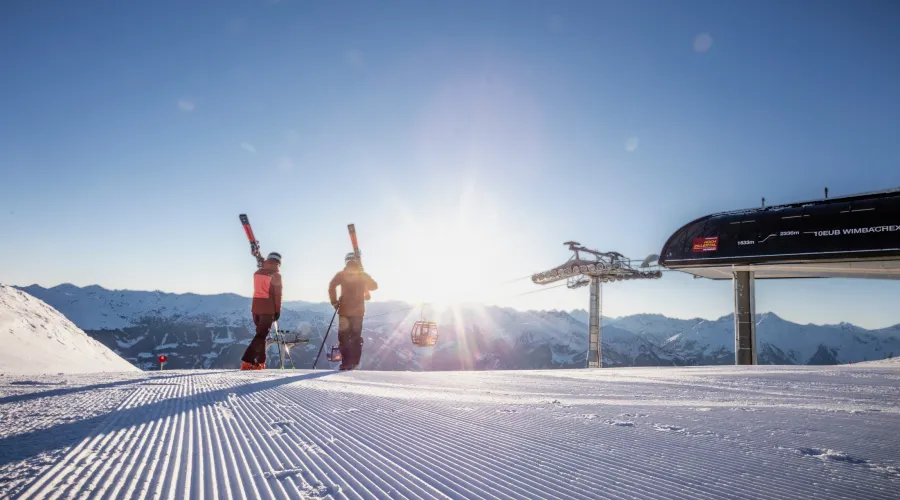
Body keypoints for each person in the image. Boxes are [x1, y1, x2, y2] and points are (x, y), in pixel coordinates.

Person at [328, 253, 378, 370]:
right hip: (358, 312)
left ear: (346, 262)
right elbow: (374, 286)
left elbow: (331, 286)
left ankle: (346, 363)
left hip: (344, 311)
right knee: (355, 337)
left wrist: (334, 302)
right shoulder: (362, 275)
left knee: (344, 338)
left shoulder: (341, 274)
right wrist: (364, 277)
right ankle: (354, 363)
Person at [241, 252, 283, 370]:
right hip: (267, 309)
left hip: (255, 309)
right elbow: (277, 294)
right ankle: (247, 361)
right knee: (261, 336)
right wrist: (277, 311)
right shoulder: (276, 275)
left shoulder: (257, 273)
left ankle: (260, 362)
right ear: (279, 262)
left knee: (261, 336)